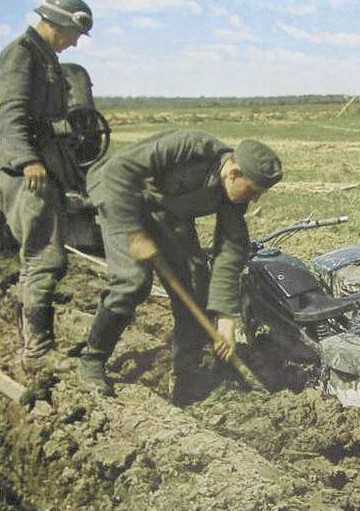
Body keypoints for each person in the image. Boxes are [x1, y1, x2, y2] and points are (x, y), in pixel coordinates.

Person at [79, 128, 282, 403]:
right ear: (233, 173)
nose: (255, 199)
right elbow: (120, 169)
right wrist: (135, 233)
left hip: (166, 214)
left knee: (196, 286)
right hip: (120, 196)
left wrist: (225, 318)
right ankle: (93, 359)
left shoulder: (234, 199)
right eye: (253, 191)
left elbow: (229, 252)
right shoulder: (192, 146)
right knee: (133, 282)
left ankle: (186, 376)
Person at [0, 0, 93, 359]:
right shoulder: (22, 54)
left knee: (39, 255)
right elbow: (10, 115)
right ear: (57, 22)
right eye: (74, 34)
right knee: (44, 256)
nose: (74, 43)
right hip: (28, 174)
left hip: (44, 167)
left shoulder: (43, 57)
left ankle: (30, 334)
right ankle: (37, 347)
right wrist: (27, 160)